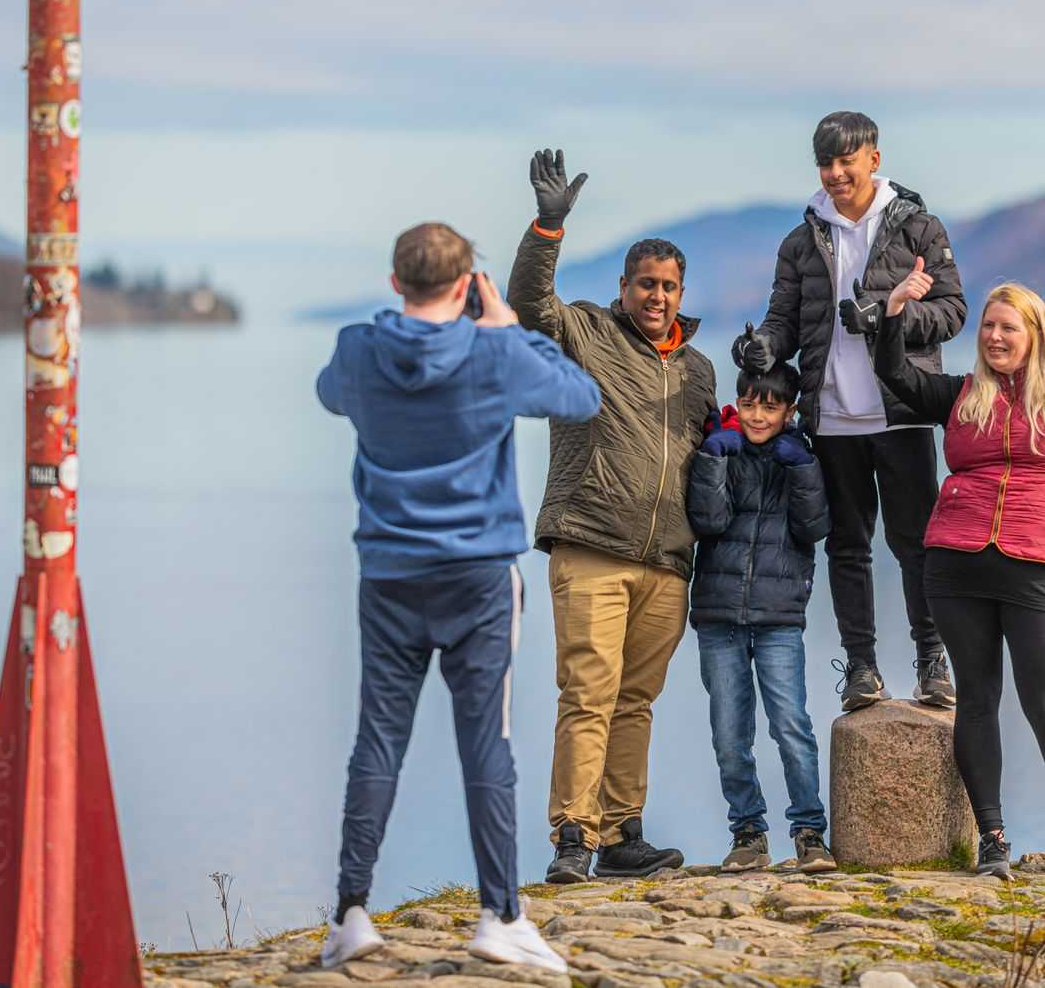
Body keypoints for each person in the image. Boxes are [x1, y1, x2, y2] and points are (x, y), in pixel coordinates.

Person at [315, 222, 601, 972]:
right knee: (487, 745)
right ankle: (500, 915)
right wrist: (510, 329)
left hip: (388, 574)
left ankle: (350, 911)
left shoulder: (357, 348)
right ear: (469, 282)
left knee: (378, 738)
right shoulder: (494, 350)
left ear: (394, 281)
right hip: (477, 577)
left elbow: (329, 395)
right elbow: (581, 395)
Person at [870, 241, 1045, 881]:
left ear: (1034, 333)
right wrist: (894, 313)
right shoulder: (961, 394)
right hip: (956, 564)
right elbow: (897, 376)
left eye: (1007, 327)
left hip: (1042, 563)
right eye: (988, 326)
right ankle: (992, 838)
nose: (994, 336)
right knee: (977, 701)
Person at [509, 150, 720, 882]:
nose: (657, 296)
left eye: (668, 286)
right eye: (645, 284)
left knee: (636, 701)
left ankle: (623, 832)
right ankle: (573, 835)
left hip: (665, 560)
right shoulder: (586, 333)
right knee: (589, 693)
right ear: (623, 287)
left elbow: (710, 453)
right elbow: (529, 306)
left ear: (681, 290)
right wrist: (548, 226)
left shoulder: (697, 369)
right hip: (593, 543)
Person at [734, 111, 967, 712]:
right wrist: (763, 347)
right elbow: (785, 320)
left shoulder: (919, 229)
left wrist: (889, 316)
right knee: (847, 547)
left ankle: (931, 662)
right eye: (826, 163)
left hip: (903, 412)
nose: (837, 173)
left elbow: (953, 311)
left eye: (847, 160)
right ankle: (861, 668)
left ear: (874, 159)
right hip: (831, 418)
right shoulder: (802, 239)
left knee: (916, 545)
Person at [685, 363, 837, 874]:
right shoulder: (720, 450)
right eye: (748, 403)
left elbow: (814, 526)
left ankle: (810, 832)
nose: (756, 415)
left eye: (770, 406)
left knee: (791, 726)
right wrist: (710, 461)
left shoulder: (801, 459)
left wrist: (803, 469)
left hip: (779, 618)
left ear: (789, 411)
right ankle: (748, 832)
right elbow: (708, 521)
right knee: (730, 734)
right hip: (719, 613)